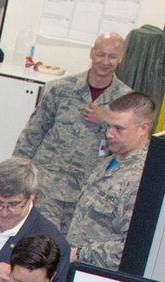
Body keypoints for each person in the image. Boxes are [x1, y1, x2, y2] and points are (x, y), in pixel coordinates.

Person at [11, 32, 130, 230]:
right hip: (46, 184)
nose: (105, 61)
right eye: (101, 54)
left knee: (67, 251)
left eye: (112, 56)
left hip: (88, 191)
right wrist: (17, 175)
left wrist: (107, 120)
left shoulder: (125, 102)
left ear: (121, 58)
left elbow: (129, 150)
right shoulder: (61, 89)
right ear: (92, 53)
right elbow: (33, 133)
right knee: (36, 242)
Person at [68, 93, 156, 269]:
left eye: (118, 128)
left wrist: (78, 254)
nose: (109, 134)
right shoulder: (111, 160)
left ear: (143, 128)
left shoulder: (142, 179)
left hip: (100, 275)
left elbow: (131, 247)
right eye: (108, 126)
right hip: (77, 268)